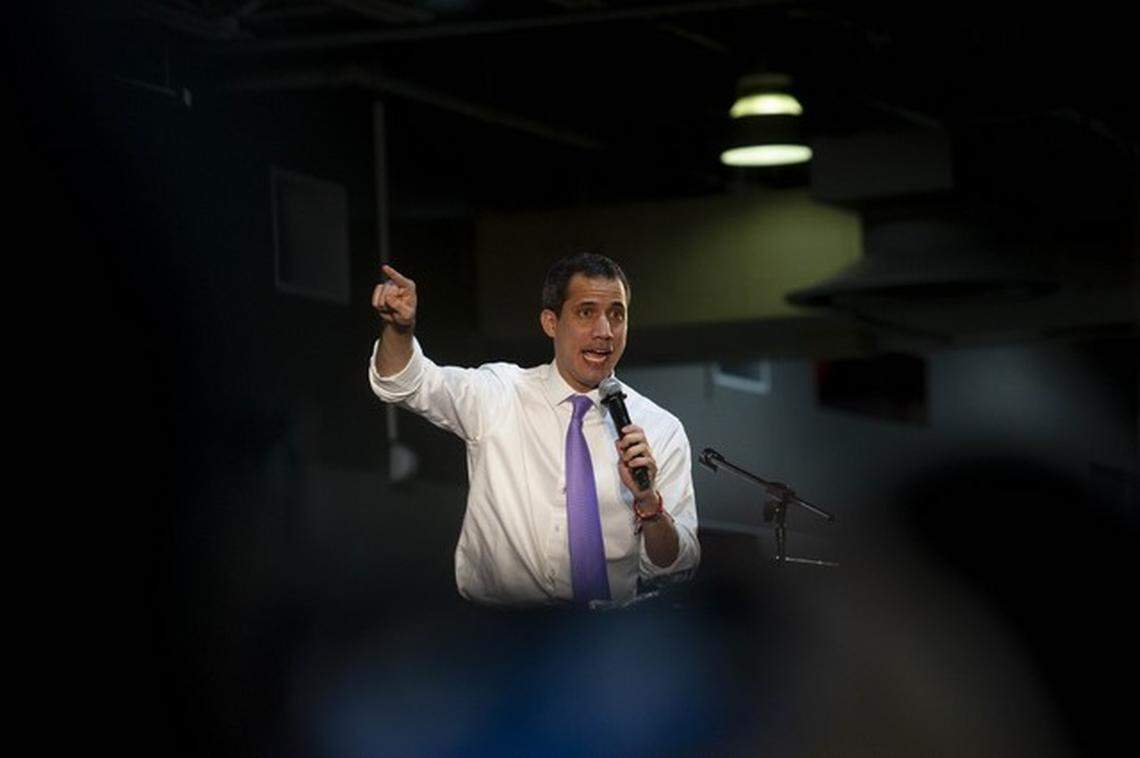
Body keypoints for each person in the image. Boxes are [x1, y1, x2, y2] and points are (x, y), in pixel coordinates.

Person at [368, 253, 699, 606]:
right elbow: (405, 383)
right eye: (586, 312)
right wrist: (399, 331)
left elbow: (676, 565)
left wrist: (648, 503)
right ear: (550, 322)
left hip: (605, 643)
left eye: (616, 315)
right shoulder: (500, 394)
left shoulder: (659, 429)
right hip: (501, 636)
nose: (605, 332)